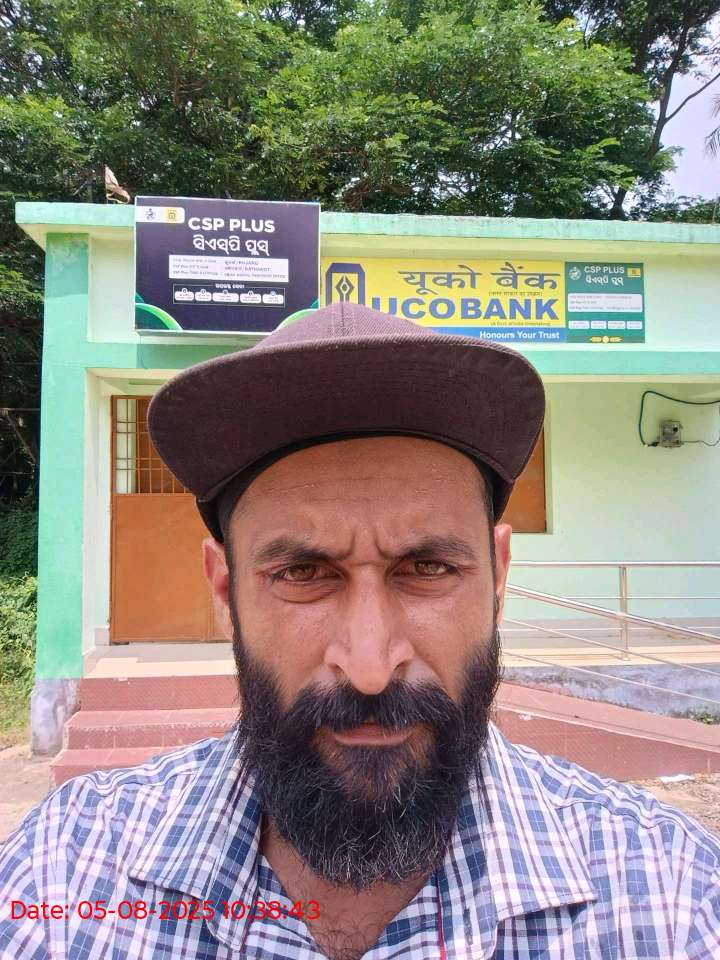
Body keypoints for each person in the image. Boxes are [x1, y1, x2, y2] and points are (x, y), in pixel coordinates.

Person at [1, 302, 718, 960]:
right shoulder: (63, 878)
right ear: (225, 589)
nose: (371, 667)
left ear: (499, 578)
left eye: (428, 567)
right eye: (303, 573)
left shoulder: (671, 901)